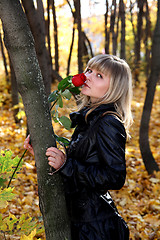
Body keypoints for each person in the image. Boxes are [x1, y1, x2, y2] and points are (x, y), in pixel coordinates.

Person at [24, 54, 132, 240]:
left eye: (99, 75)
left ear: (114, 88)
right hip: (81, 222)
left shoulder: (108, 122)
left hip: (96, 228)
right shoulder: (90, 118)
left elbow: (115, 177)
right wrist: (43, 155)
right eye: (89, 70)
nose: (88, 76)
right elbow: (82, 164)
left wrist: (67, 165)